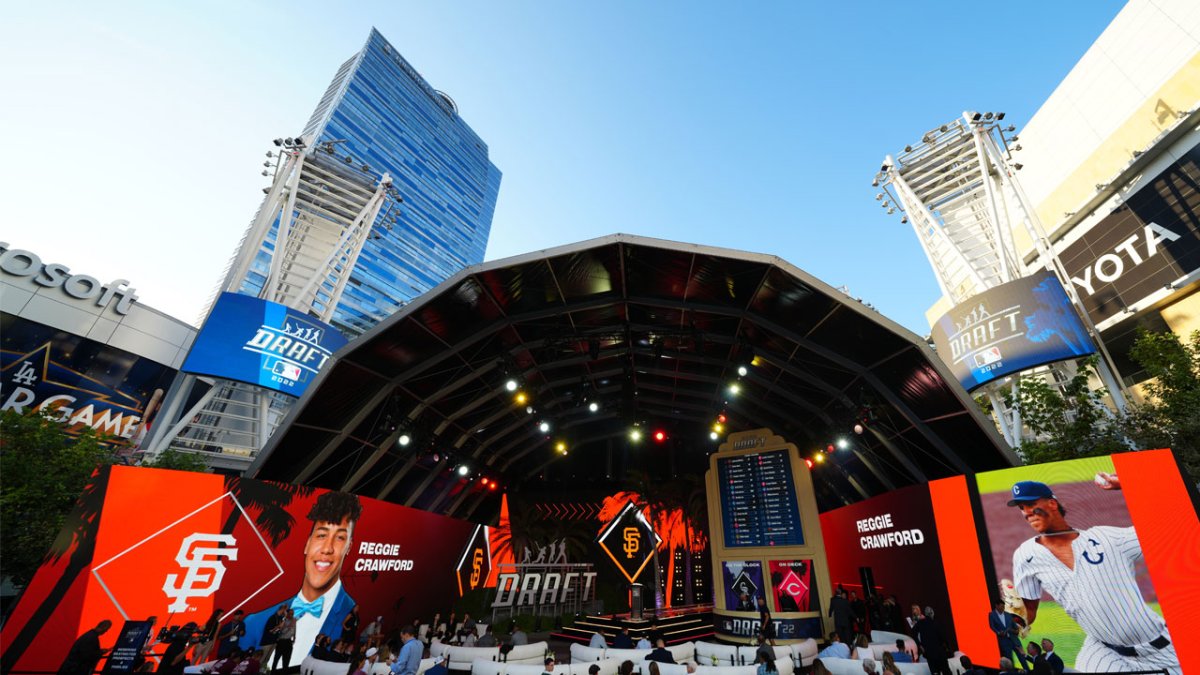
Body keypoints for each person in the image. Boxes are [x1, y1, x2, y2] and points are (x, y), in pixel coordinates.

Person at [1007, 477, 1179, 673]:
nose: (1027, 512)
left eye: (1031, 504)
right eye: (1021, 507)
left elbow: (1166, 524)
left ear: (1052, 503)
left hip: (1164, 651)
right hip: (1104, 651)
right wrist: (1014, 619)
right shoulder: (1026, 554)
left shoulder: (1108, 539)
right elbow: (1028, 610)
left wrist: (1131, 482)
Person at [240, 492, 364, 667]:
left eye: (339, 538)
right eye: (321, 535)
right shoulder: (255, 623)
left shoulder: (349, 612)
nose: (327, 549)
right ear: (307, 543)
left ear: (349, 547)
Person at [989, 600, 1029, 671]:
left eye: (1004, 606)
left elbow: (1015, 627)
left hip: (1015, 640)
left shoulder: (1008, 615)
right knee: (1009, 661)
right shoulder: (992, 615)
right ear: (996, 606)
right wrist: (998, 633)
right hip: (1004, 641)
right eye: (1001, 606)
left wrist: (1015, 630)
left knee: (1022, 657)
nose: (1003, 608)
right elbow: (992, 627)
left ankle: (1028, 671)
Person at [914, 607, 950, 675]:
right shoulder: (935, 623)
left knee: (935, 672)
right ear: (932, 613)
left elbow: (913, 633)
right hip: (939, 653)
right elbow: (943, 637)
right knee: (946, 671)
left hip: (929, 654)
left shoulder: (920, 623)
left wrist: (920, 645)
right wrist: (947, 647)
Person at [259, 605, 286, 670]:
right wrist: (279, 626)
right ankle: (255, 670)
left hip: (274, 641)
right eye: (284, 610)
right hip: (267, 642)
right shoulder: (272, 618)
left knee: (268, 658)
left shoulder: (280, 618)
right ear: (282, 609)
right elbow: (270, 630)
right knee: (262, 657)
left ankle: (262, 670)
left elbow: (280, 629)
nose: (285, 612)